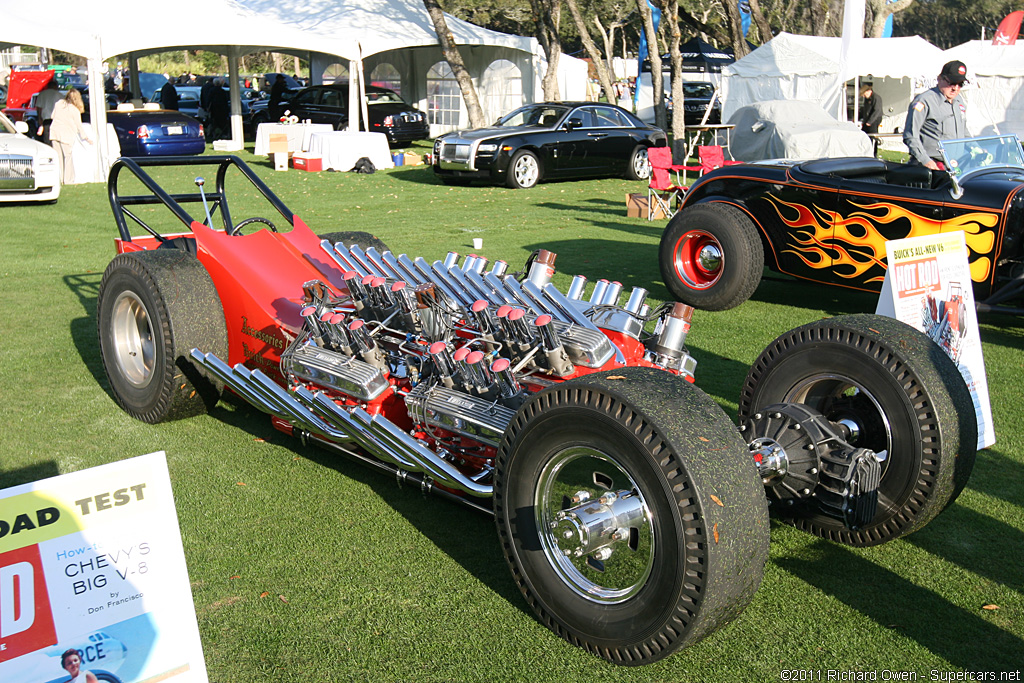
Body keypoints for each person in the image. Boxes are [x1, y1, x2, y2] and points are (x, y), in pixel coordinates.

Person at [903, 60, 969, 170]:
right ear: (939, 78)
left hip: (954, 166)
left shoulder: (959, 101)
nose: (955, 88)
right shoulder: (924, 101)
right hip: (931, 167)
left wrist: (976, 148)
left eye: (960, 84)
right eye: (952, 83)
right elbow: (910, 135)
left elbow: (963, 131)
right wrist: (926, 161)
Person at [49, 88, 91, 185]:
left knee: (58, 158)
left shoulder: (58, 103)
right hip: (66, 134)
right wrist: (86, 138)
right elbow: (79, 126)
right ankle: (68, 180)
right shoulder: (74, 110)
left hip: (55, 132)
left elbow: (52, 116)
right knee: (68, 158)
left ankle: (59, 179)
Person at [35, 79, 63, 144]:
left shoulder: (42, 94)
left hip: (46, 119)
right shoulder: (60, 95)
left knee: (47, 137)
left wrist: (39, 118)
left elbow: (39, 107)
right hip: (57, 119)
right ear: (55, 86)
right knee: (56, 137)